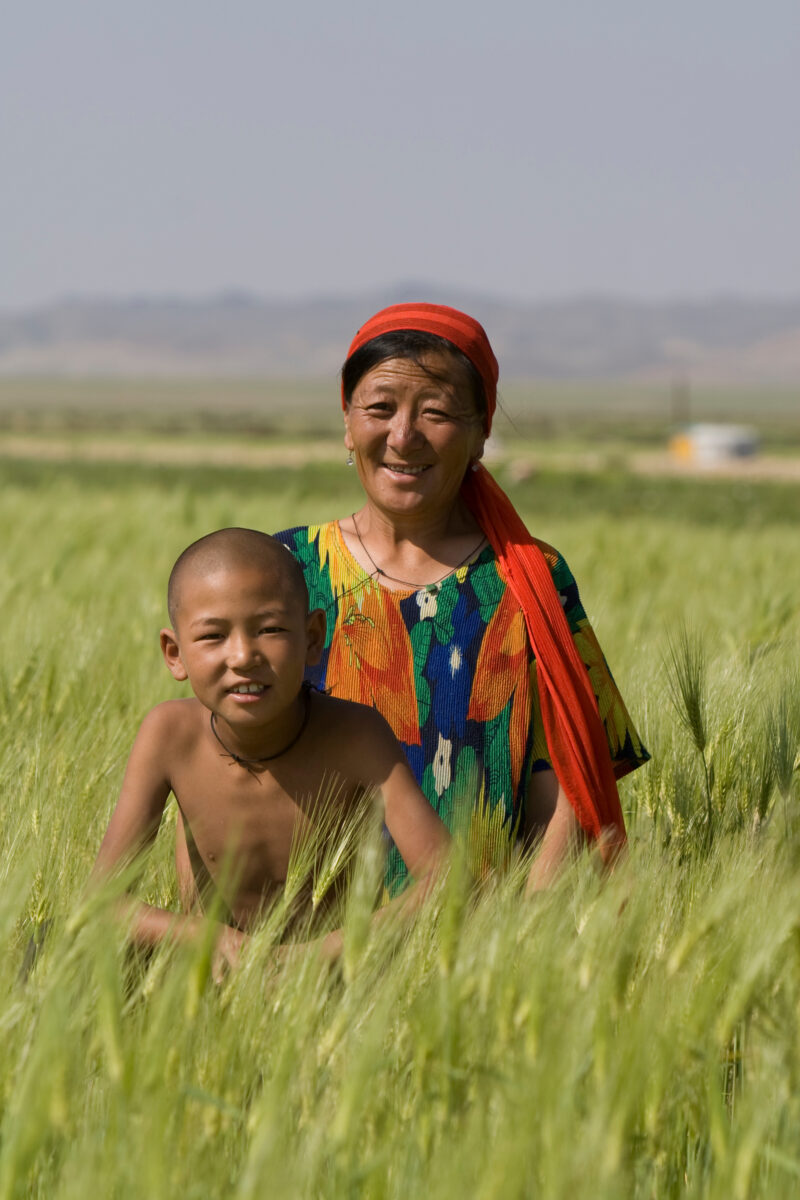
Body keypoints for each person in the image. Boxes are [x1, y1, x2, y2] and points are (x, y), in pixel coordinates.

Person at [274, 303, 649, 899]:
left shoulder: (529, 579)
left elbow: (574, 777)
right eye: (379, 408)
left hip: (483, 948)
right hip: (306, 941)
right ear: (347, 422)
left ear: (480, 433)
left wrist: (517, 930)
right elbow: (223, 757)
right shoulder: (286, 570)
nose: (402, 436)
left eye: (437, 412)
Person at [93, 527, 450, 973]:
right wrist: (210, 939)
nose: (243, 655)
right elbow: (102, 902)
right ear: (174, 653)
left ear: (313, 638)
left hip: (334, 980)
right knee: (50, 951)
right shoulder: (169, 735)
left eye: (270, 629)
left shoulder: (356, 736)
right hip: (206, 975)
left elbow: (449, 880)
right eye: (212, 636)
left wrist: (317, 957)